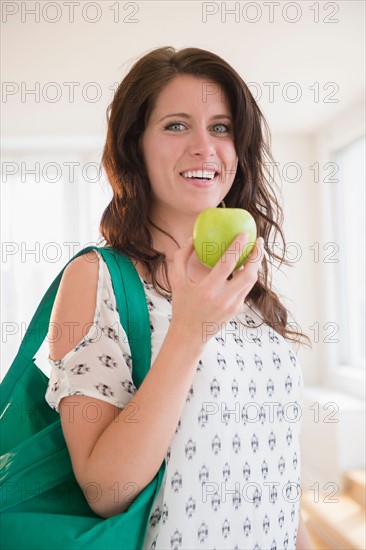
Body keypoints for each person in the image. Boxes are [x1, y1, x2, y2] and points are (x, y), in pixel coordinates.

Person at [45, 46, 313, 549]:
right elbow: (106, 490)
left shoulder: (245, 286)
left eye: (220, 127)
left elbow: (277, 468)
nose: (204, 147)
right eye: (175, 125)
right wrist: (190, 331)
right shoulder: (97, 277)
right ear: (135, 146)